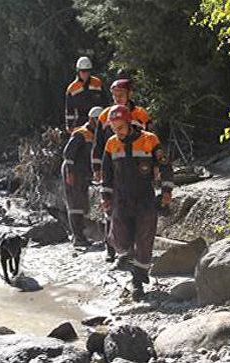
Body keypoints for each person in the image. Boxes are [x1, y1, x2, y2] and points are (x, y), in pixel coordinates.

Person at [101, 105, 173, 301]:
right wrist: (106, 197)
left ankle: (137, 282)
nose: (118, 132)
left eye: (121, 128)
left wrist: (166, 191)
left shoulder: (149, 140)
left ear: (129, 123)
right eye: (114, 129)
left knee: (144, 240)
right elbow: (106, 175)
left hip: (145, 199)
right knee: (120, 239)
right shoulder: (111, 144)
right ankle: (128, 259)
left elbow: (165, 166)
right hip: (121, 199)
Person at [92, 79, 151, 262]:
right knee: (111, 208)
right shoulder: (105, 116)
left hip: (137, 170)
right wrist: (97, 167)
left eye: (121, 95)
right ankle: (112, 249)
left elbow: (149, 139)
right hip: (114, 167)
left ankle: (132, 251)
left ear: (129, 95)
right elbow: (98, 143)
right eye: (114, 95)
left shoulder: (140, 113)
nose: (117, 98)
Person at [61, 106, 103, 248]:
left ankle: (82, 235)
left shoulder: (96, 135)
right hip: (74, 172)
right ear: (92, 119)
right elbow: (68, 154)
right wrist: (69, 173)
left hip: (84, 173)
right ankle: (78, 238)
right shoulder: (81, 133)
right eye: (98, 120)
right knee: (75, 204)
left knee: (82, 204)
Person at [64, 56, 108, 133]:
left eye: (88, 71)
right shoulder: (72, 88)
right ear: (78, 71)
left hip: (98, 120)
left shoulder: (97, 83)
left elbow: (105, 101)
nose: (85, 74)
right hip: (81, 121)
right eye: (83, 71)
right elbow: (69, 109)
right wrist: (69, 126)